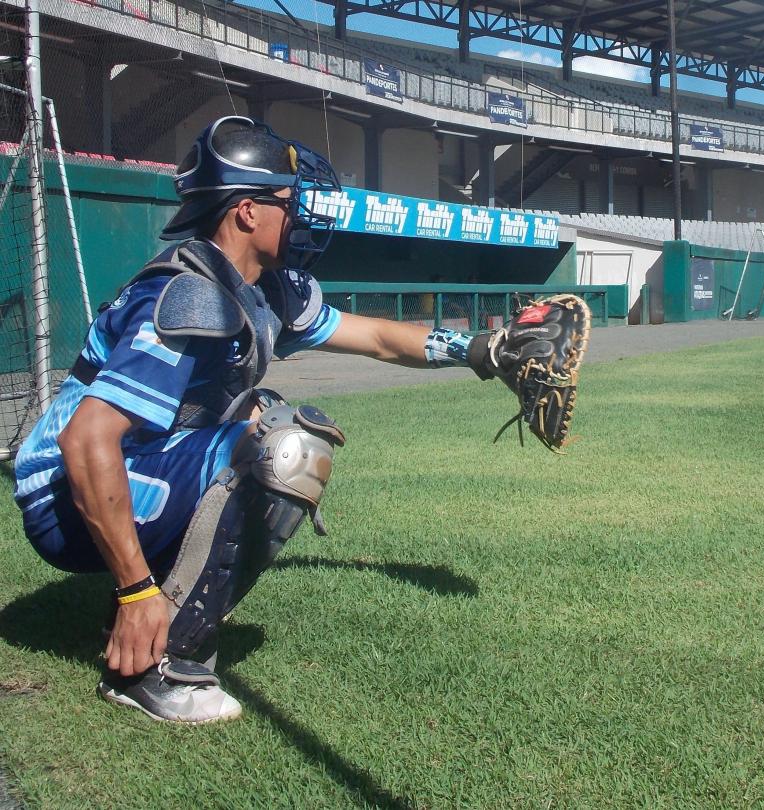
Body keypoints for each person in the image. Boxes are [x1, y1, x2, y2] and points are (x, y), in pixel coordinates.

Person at [10, 116, 525, 724]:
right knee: (284, 444)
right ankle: (159, 666)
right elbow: (87, 437)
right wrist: (134, 591)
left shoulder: (266, 288)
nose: (304, 214)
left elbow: (380, 337)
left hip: (128, 468)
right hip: (63, 496)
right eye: (292, 200)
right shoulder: (189, 295)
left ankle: (152, 622)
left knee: (263, 415)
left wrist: (482, 352)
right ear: (248, 212)